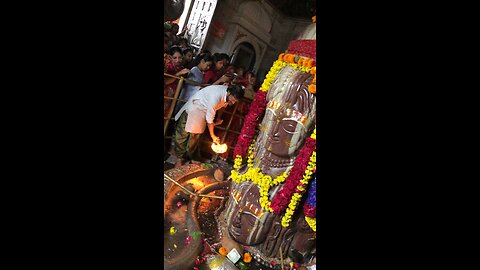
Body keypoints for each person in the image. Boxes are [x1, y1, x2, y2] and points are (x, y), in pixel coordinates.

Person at [173, 84, 245, 167]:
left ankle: (193, 158)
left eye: (235, 101)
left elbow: (223, 105)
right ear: (229, 93)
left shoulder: (228, 95)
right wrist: (213, 135)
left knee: (195, 135)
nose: (233, 102)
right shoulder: (216, 96)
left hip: (204, 111)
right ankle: (179, 158)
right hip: (195, 106)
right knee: (182, 134)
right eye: (233, 100)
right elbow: (210, 120)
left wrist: (218, 118)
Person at [164, 46, 189, 120]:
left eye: (180, 57)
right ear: (170, 57)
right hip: (166, 94)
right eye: (175, 58)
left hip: (174, 96)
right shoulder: (168, 67)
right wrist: (178, 74)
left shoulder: (182, 69)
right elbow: (166, 81)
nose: (178, 60)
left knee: (167, 116)